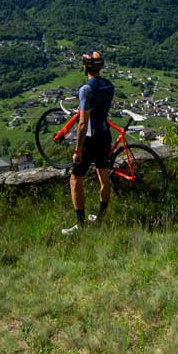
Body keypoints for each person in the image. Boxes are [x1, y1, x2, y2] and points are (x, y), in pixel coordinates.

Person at [64, 51, 115, 235]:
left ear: (85, 67)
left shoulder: (86, 89)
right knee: (104, 175)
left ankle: (80, 224)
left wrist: (78, 149)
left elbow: (83, 123)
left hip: (90, 139)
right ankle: (101, 217)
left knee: (75, 179)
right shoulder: (109, 86)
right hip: (105, 135)